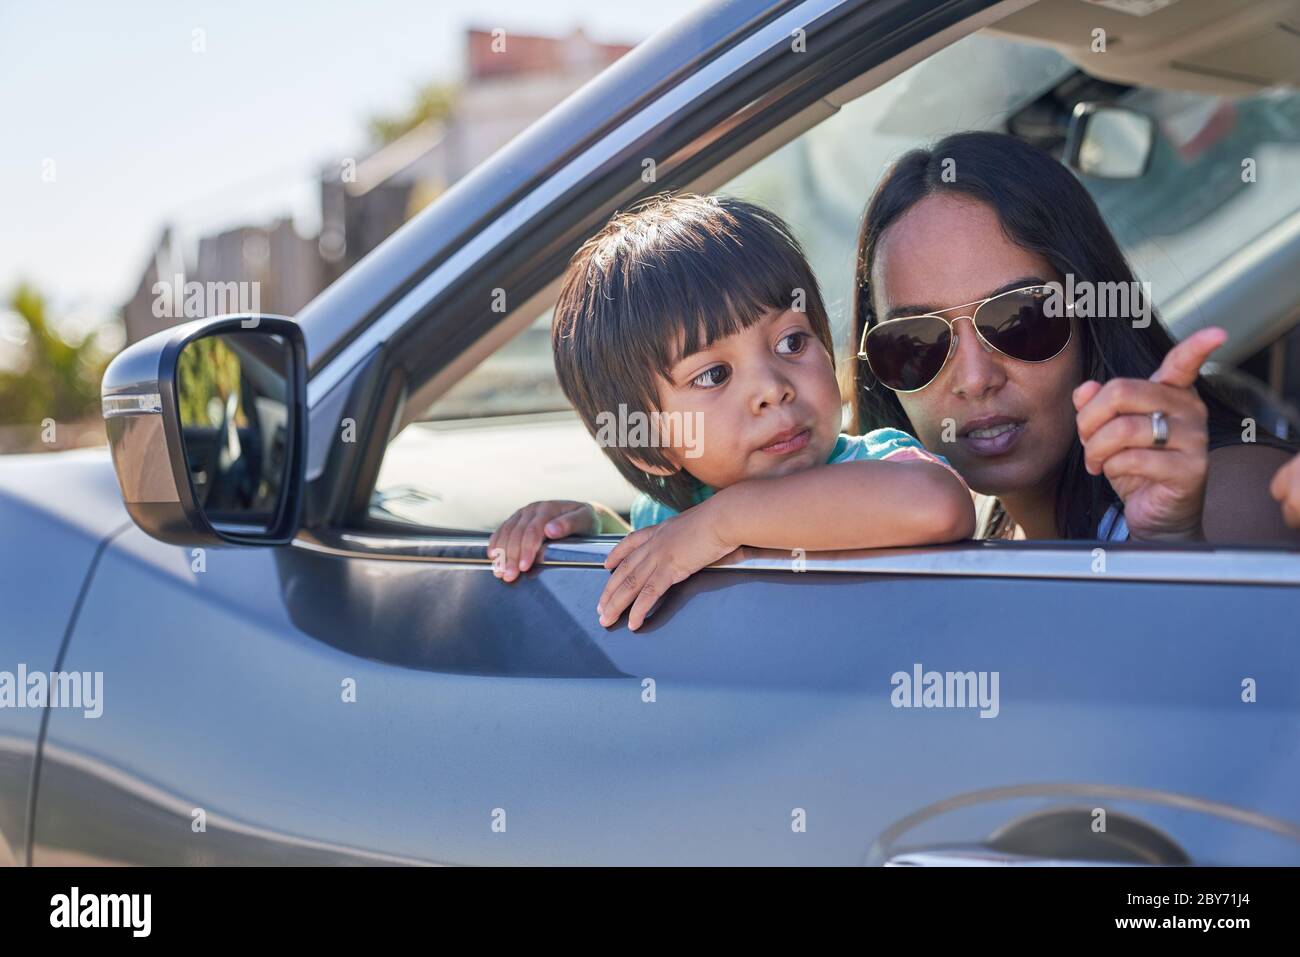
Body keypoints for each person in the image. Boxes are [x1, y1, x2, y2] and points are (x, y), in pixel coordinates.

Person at [489, 193, 974, 630]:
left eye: (792, 342)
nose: (771, 388)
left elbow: (940, 506)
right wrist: (590, 528)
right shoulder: (671, 517)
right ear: (650, 446)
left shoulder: (875, 465)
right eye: (714, 375)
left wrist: (725, 522)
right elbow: (654, 563)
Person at [848, 131, 1300, 543]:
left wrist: (1170, 538)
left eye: (1020, 320)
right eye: (915, 342)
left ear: (1093, 315)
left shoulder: (1236, 496)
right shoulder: (946, 522)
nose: (975, 377)